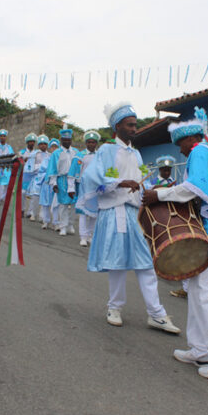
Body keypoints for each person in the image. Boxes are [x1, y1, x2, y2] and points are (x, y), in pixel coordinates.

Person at [143, 107, 208, 378]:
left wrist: (159, 194)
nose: (181, 152)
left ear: (191, 139)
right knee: (198, 289)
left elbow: (193, 188)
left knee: (202, 292)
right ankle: (200, 349)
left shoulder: (199, 152)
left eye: (180, 146)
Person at [78, 101, 180, 335]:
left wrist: (153, 192)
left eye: (135, 125)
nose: (134, 129)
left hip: (135, 214)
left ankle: (156, 314)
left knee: (145, 263)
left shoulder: (136, 153)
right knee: (117, 263)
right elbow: (95, 180)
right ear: (117, 127)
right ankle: (114, 308)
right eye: (130, 125)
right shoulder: (106, 150)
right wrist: (121, 182)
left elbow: (144, 180)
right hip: (115, 213)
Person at [46, 126, 78, 236]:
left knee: (74, 204)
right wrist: (54, 183)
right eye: (65, 140)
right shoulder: (56, 153)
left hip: (74, 180)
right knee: (63, 205)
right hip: (62, 180)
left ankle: (70, 224)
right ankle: (63, 226)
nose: (67, 142)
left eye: (69, 140)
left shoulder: (76, 152)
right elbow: (53, 169)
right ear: (61, 140)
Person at [70, 131, 100, 247]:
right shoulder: (79, 156)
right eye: (89, 142)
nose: (91, 144)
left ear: (96, 143)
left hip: (96, 188)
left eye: (93, 142)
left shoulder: (100, 156)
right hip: (83, 187)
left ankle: (89, 235)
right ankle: (83, 237)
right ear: (86, 143)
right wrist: (71, 188)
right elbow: (72, 173)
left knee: (94, 213)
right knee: (83, 213)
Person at [26, 135, 50, 221]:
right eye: (41, 144)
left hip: (46, 179)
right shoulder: (34, 154)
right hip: (36, 178)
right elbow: (30, 166)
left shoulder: (50, 155)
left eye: (45, 144)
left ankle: (42, 216)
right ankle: (33, 213)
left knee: (44, 197)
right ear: (38, 145)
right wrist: (41, 167)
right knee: (35, 197)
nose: (43, 145)